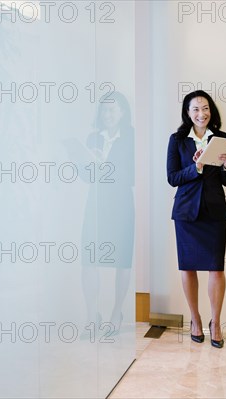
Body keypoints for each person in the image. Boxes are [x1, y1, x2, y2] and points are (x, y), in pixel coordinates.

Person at [166, 90, 226, 348]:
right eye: (195, 109)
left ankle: (215, 322)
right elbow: (172, 177)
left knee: (216, 268)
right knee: (189, 267)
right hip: (185, 212)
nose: (201, 113)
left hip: (214, 211)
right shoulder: (177, 140)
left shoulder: (222, 138)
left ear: (211, 111)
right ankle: (195, 319)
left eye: (205, 108)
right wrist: (195, 168)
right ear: (187, 112)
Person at [81, 91, 134, 336]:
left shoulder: (130, 137)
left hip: (121, 203)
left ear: (122, 112)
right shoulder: (93, 137)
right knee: (89, 259)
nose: (108, 114)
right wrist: (91, 166)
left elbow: (133, 174)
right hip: (97, 204)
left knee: (122, 260)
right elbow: (85, 176)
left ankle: (116, 314)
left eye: (112, 110)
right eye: (104, 110)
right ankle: (92, 315)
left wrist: (107, 166)